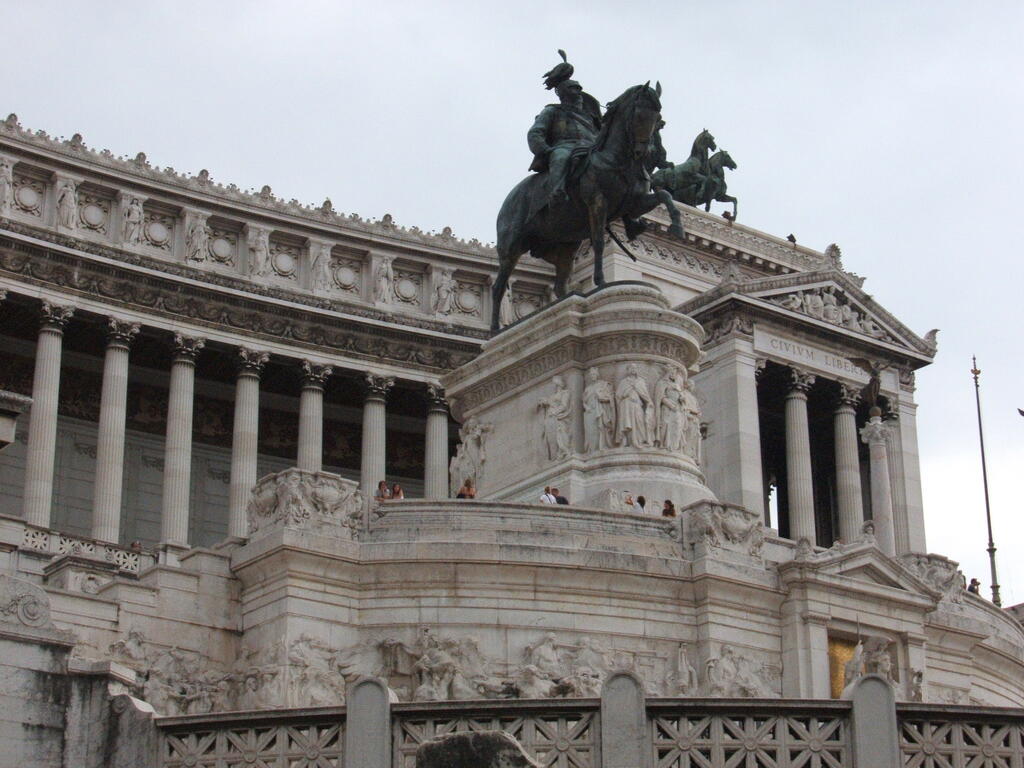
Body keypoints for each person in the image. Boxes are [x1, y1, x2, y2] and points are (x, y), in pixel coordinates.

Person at [527, 52, 601, 205]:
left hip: (591, 150)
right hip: (565, 147)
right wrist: (546, 150)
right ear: (565, 94)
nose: (579, 93)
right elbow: (536, 132)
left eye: (579, 90)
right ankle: (557, 191)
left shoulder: (591, 117)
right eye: (575, 90)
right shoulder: (552, 111)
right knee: (561, 157)